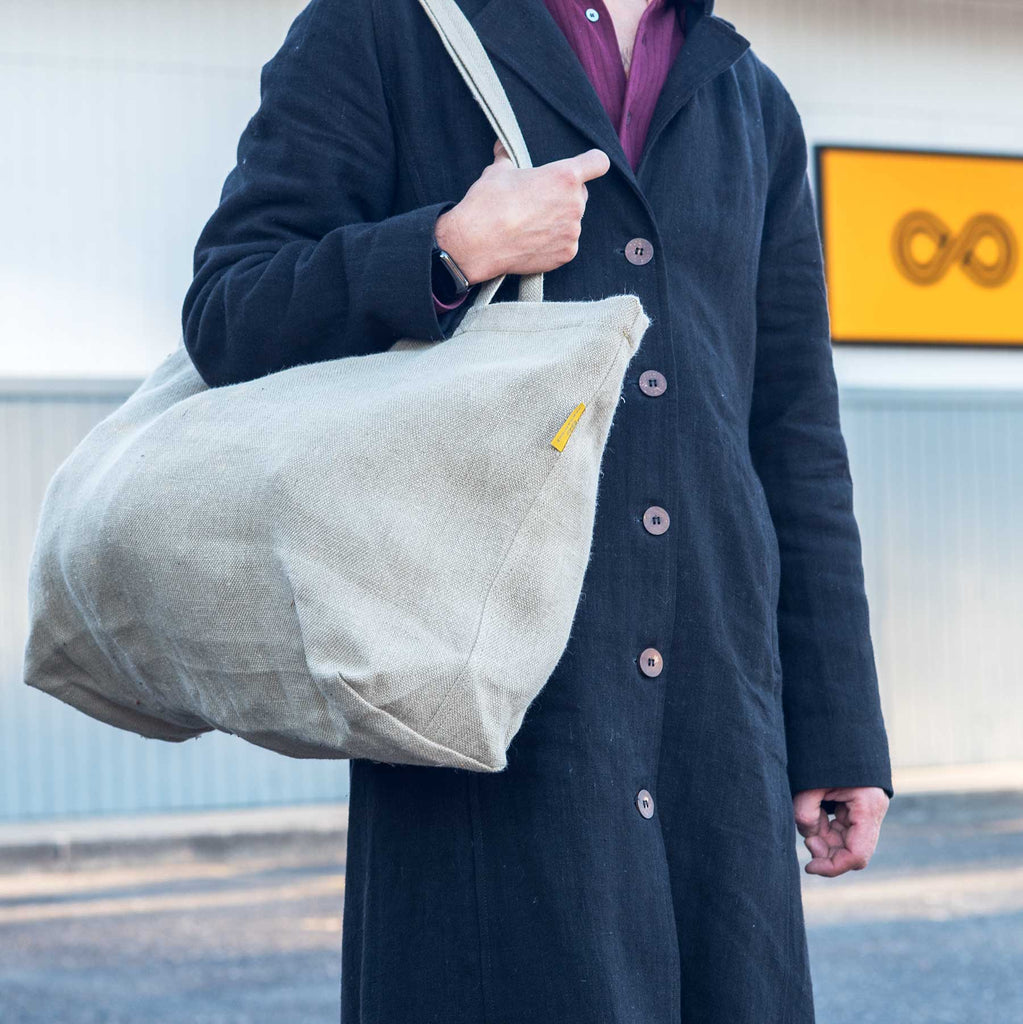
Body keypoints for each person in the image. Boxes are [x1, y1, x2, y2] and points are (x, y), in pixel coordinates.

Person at [181, 0, 894, 1021]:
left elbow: (793, 434)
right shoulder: (382, 31)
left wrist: (838, 729)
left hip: (714, 739)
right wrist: (449, 248)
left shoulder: (750, 99)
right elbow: (229, 312)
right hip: (492, 724)